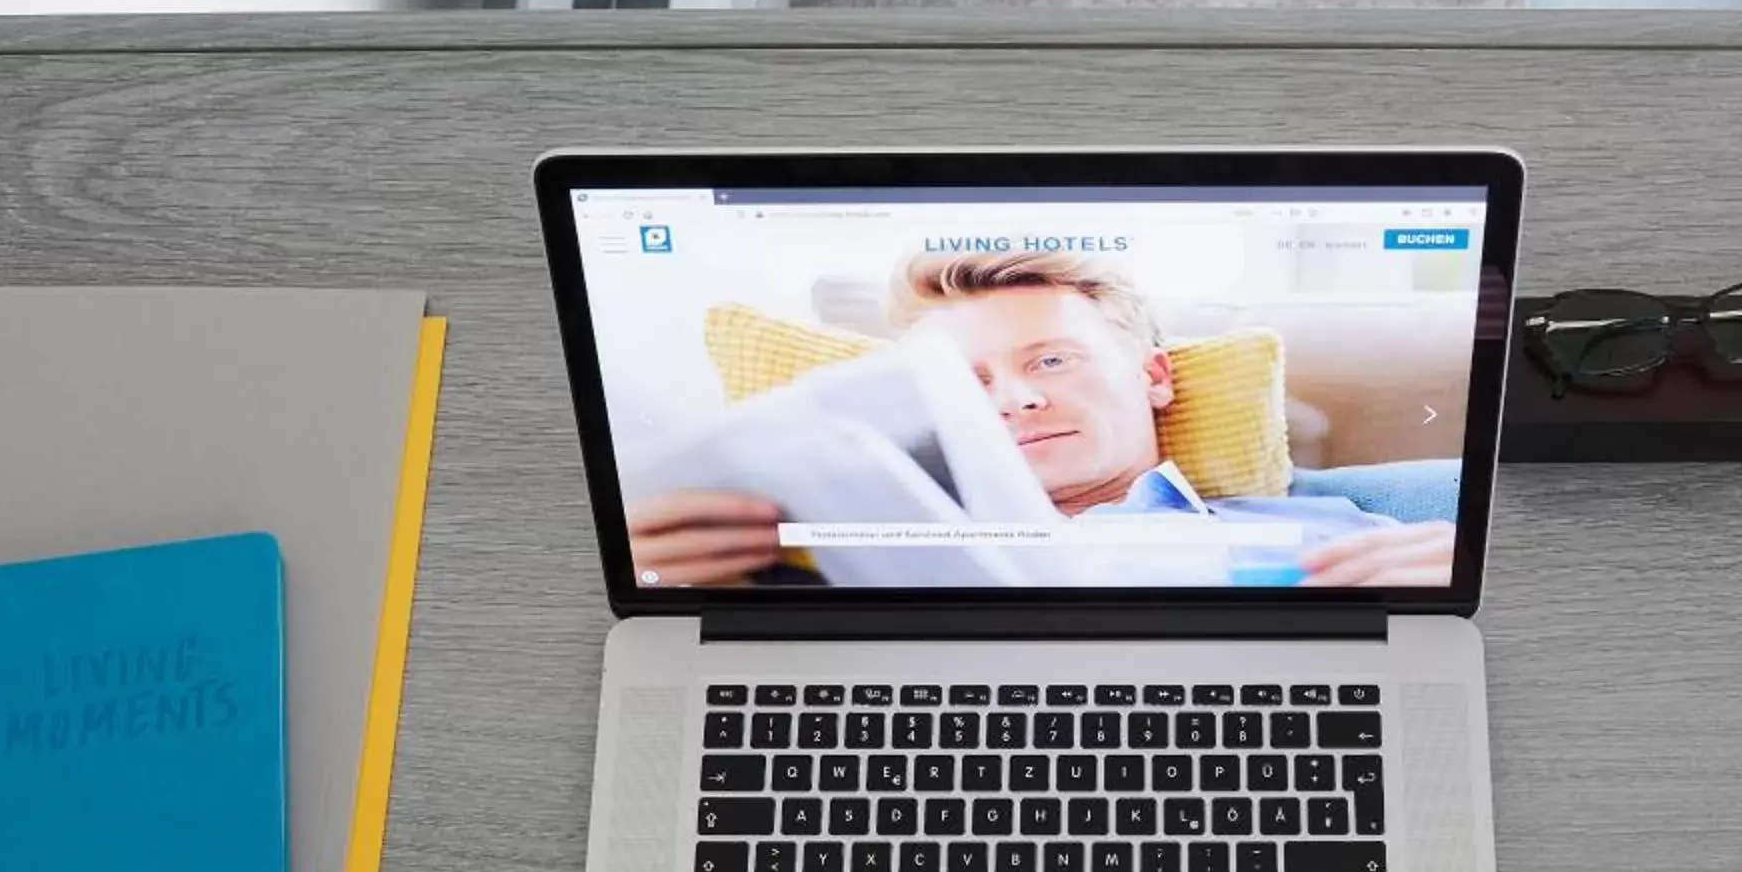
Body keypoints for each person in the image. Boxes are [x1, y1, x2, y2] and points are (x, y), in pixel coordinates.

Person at [625, 247, 1458, 589]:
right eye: (965, 381)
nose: (1014, 401)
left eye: (1050, 360)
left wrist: (1475, 571)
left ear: (1154, 376)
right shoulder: (815, 557)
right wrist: (654, 586)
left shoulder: (1338, 521)